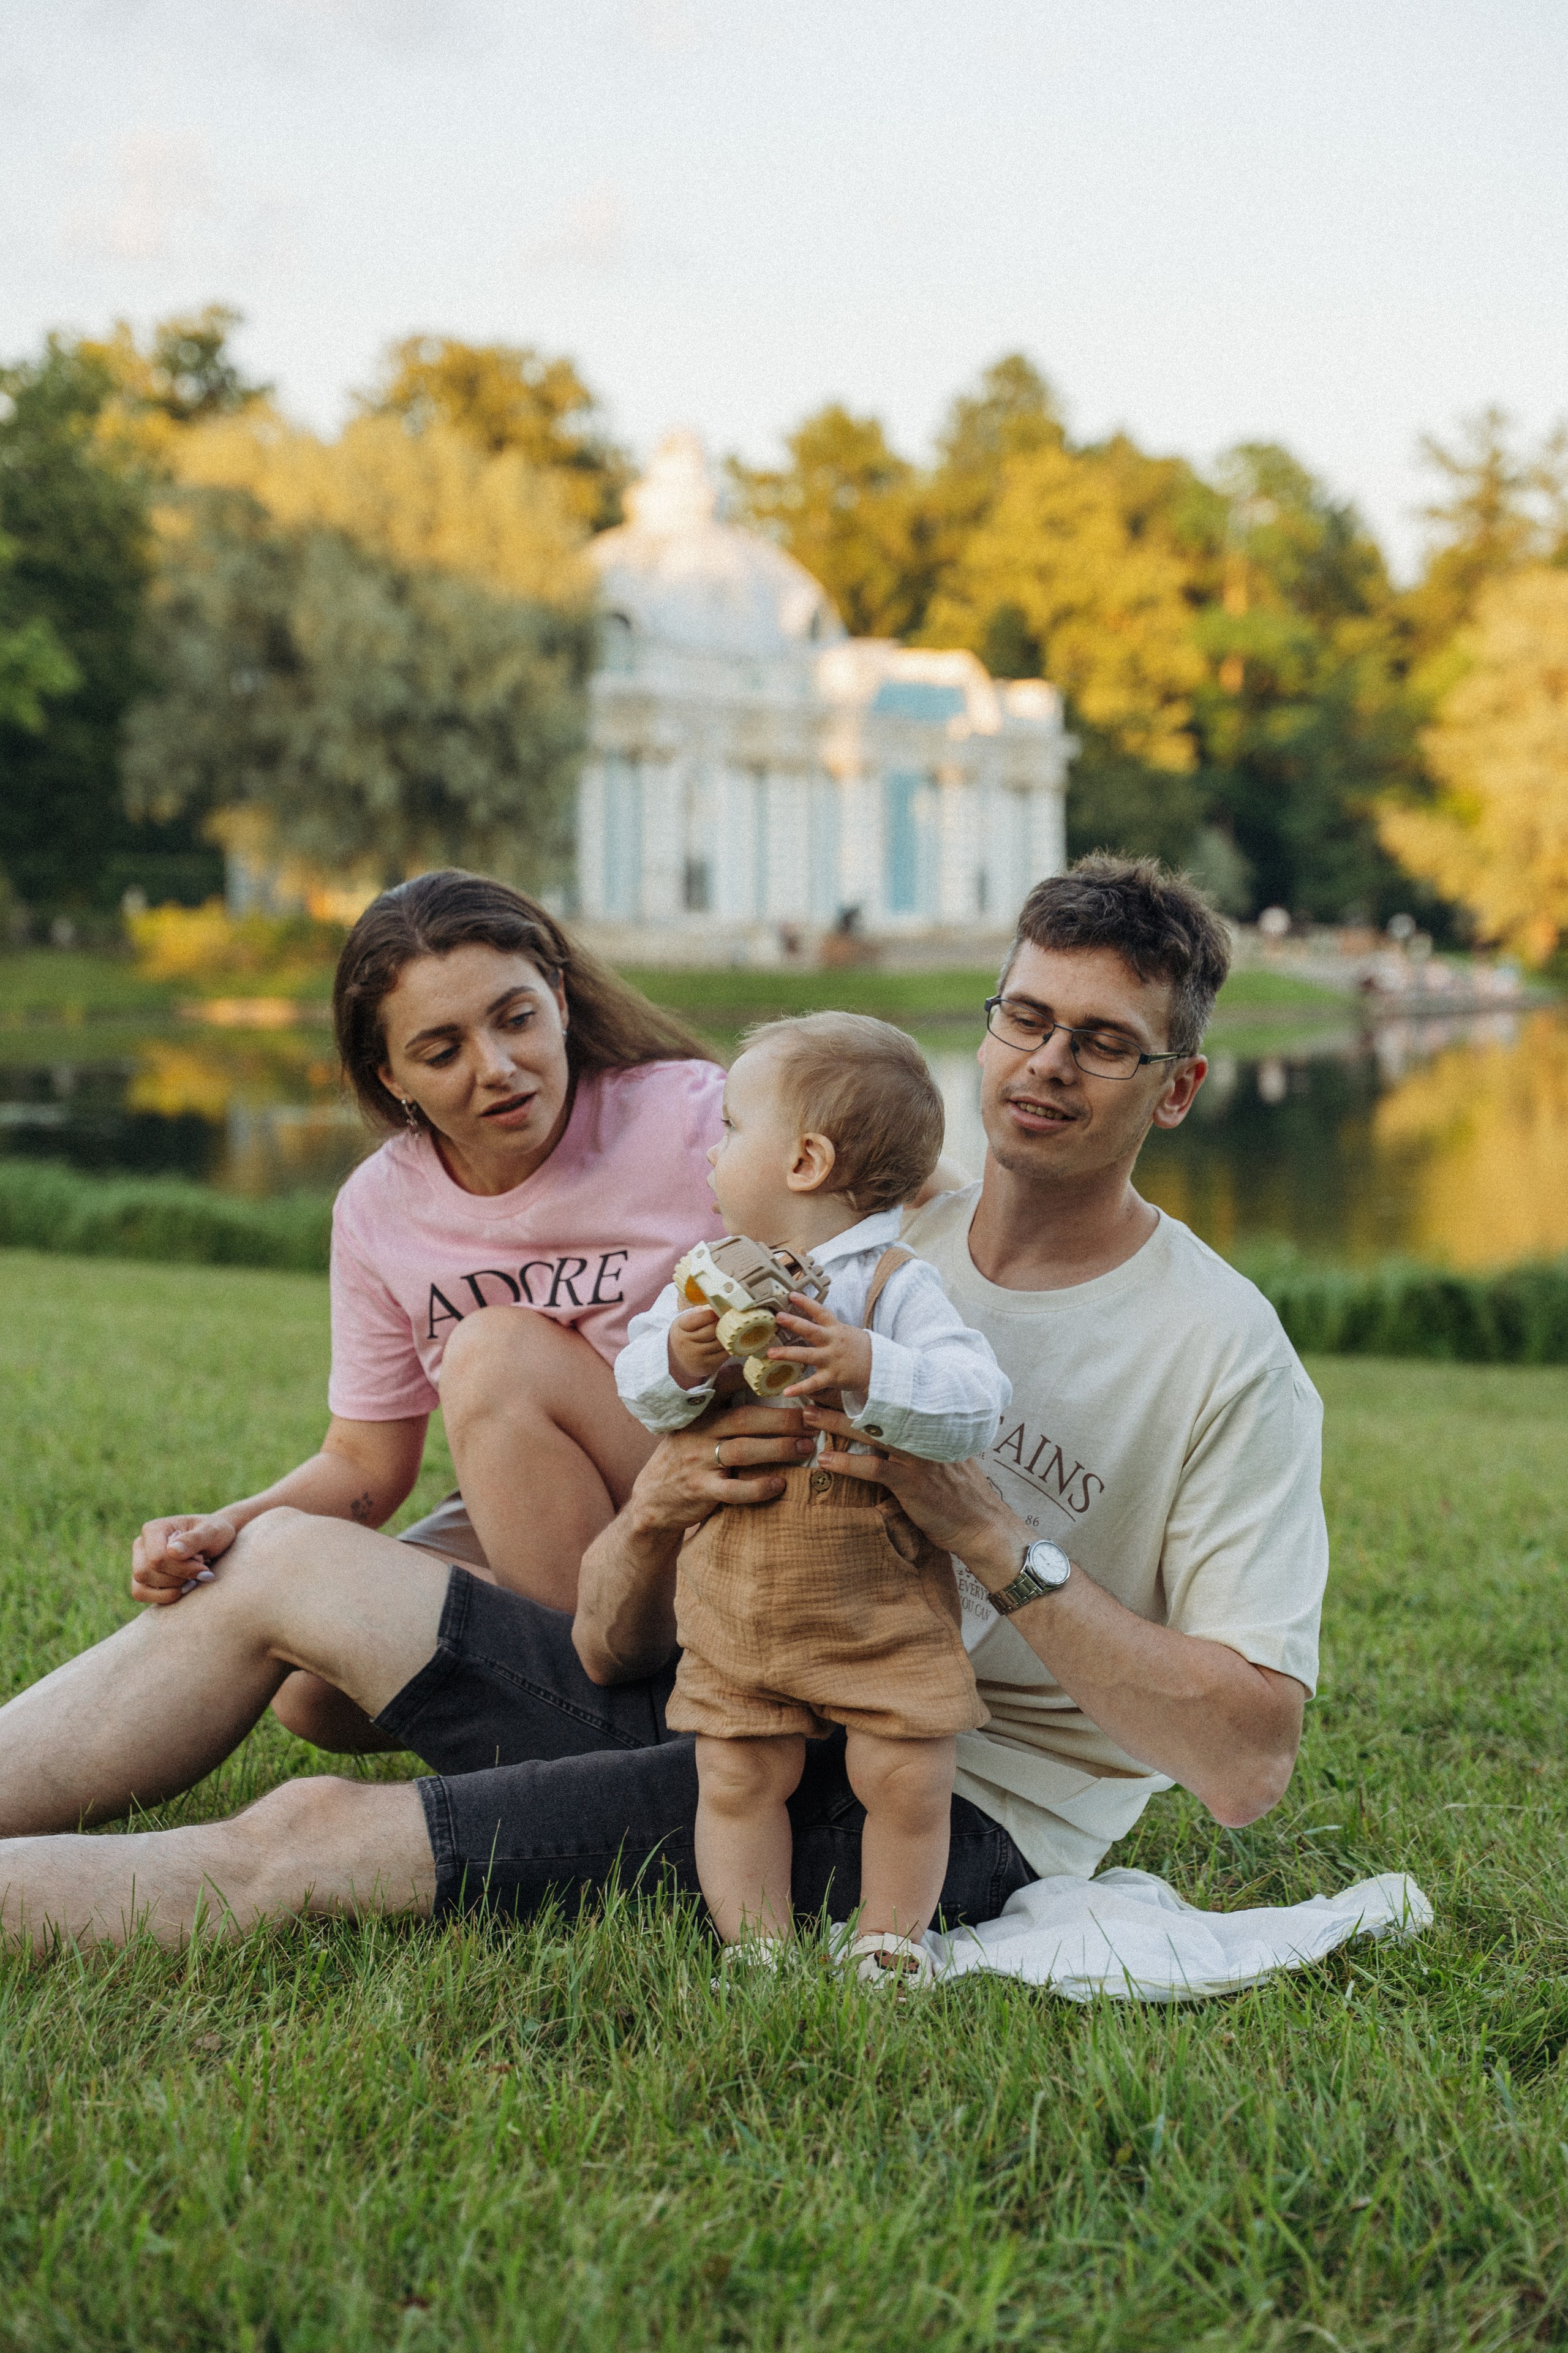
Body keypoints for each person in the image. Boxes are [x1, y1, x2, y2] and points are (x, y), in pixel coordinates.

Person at [0, 856, 1327, 1953]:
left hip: (930, 1798)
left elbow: (1248, 1762)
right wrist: (663, 1498)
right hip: (729, 1677)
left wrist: (994, 1540)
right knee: (279, 1557)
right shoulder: (855, 1222)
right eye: (1024, 1020)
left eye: (1102, 1043)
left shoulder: (1221, 1355)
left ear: (1178, 1084)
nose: (1045, 1066)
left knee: (311, 1834)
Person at [130, 867, 725, 1751]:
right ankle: (587, 1694)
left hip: (706, 1493)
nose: (498, 1068)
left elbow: (913, 1206)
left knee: (490, 1353)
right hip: (537, 1507)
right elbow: (366, 1460)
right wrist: (233, 1526)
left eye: (516, 1017)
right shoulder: (379, 1208)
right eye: (442, 1051)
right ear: (391, 1077)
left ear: (560, 998)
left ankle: (612, 1721)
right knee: (311, 1682)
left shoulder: (690, 1113)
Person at [614, 1014, 1010, 1981]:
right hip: (742, 1595)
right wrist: (683, 1354)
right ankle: (760, 1950)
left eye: (733, 1127)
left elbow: (977, 1403)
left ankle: (889, 1940)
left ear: (804, 1159)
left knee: (905, 1775)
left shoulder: (893, 1286)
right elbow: (639, 1390)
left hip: (878, 1605)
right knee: (738, 1773)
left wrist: (868, 1361)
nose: (712, 1151)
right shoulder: (703, 1283)